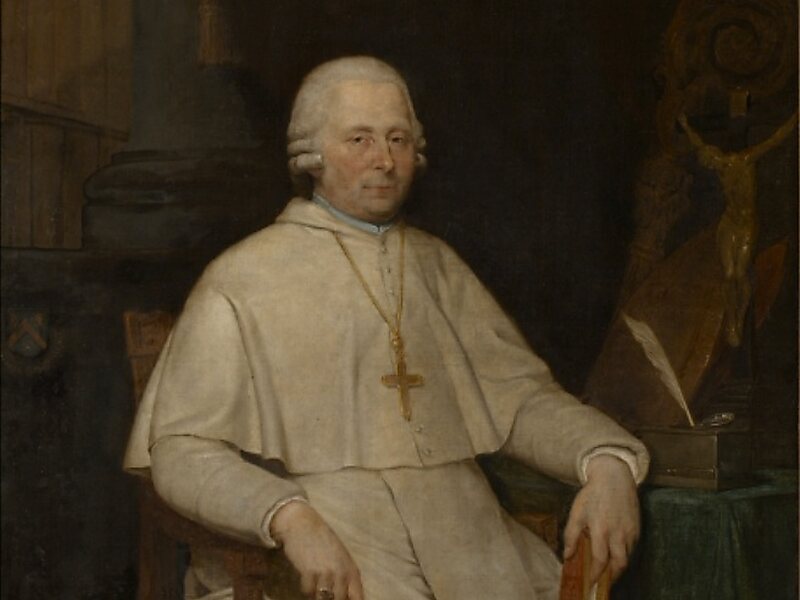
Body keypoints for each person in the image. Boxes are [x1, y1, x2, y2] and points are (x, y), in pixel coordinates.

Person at [125, 56, 649, 600]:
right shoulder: (242, 276)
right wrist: (287, 516)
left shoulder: (438, 267)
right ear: (312, 154)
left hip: (467, 537)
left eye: (398, 140)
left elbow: (519, 401)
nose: (385, 161)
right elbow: (182, 451)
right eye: (360, 140)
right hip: (332, 539)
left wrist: (604, 459)